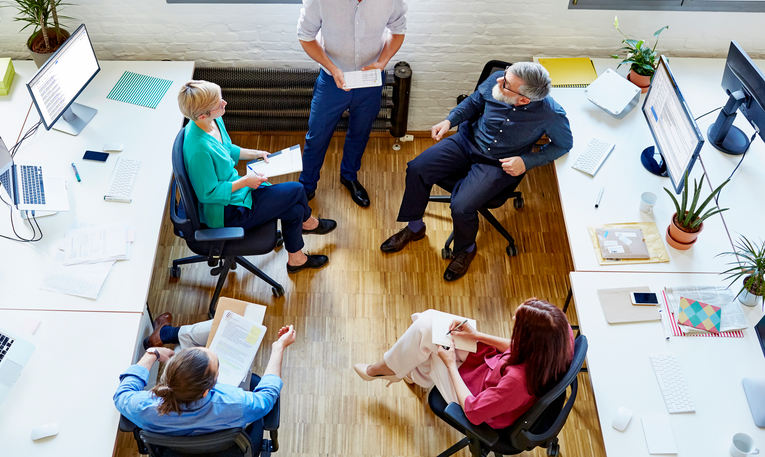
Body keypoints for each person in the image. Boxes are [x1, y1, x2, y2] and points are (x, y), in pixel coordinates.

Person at [380, 62, 573, 281]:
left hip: (497, 163)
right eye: (504, 76)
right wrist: (449, 120)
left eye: (506, 83)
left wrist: (527, 161)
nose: (499, 80)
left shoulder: (551, 115)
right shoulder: (499, 79)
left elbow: (563, 145)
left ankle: (466, 250)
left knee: (461, 206)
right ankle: (415, 228)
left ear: (523, 100)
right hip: (466, 142)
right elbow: (473, 103)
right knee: (417, 168)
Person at [178, 80, 336, 274]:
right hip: (226, 211)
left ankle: (297, 259)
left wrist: (255, 154)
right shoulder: (198, 150)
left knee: (294, 210)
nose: (225, 103)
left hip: (237, 191)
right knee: (297, 190)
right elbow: (208, 194)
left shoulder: (212, 121)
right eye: (219, 104)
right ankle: (309, 223)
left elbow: (226, 148)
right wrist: (246, 181)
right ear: (202, 115)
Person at [296, 0, 408, 207]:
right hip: (332, 80)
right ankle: (307, 186)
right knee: (317, 135)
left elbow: (398, 31)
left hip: (370, 81)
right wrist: (332, 68)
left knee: (361, 132)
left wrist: (382, 63)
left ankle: (349, 176)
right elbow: (305, 37)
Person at [353, 299, 574, 429]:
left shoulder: (518, 381)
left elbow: (474, 411)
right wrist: (477, 335)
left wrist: (450, 365)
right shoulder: (559, 336)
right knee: (429, 325)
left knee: (429, 339)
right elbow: (515, 347)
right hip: (490, 368)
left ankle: (385, 370)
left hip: (476, 398)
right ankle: (402, 369)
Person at [114, 318, 296, 457]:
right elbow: (266, 397)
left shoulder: (145, 408)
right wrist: (278, 347)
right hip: (232, 451)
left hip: (172, 452)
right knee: (255, 383)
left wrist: (151, 353)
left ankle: (166, 334)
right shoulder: (236, 403)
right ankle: (168, 332)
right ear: (207, 390)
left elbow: (122, 394)